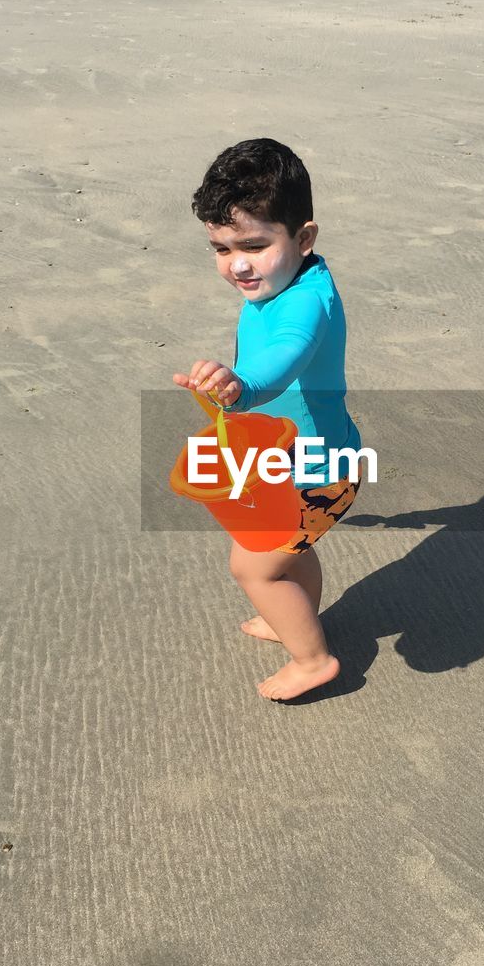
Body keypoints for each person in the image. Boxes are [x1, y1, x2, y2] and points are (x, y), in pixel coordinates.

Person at [173, 138, 362, 702]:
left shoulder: (304, 303)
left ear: (304, 238)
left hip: (316, 469)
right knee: (290, 556)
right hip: (296, 458)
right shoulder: (283, 279)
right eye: (220, 248)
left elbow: (287, 350)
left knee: (254, 568)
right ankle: (295, 619)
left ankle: (312, 659)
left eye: (254, 245)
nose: (236, 265)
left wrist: (243, 384)